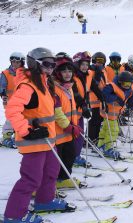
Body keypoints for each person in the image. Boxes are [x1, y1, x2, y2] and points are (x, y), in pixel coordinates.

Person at [3, 47, 75, 223]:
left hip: (48, 139)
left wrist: (35, 122)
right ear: (35, 64)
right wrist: (28, 130)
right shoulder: (28, 85)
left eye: (53, 65)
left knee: (51, 172)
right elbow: (12, 110)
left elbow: (37, 112)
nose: (51, 68)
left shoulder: (44, 83)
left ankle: (44, 201)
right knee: (31, 179)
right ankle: (14, 215)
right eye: (47, 64)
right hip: (33, 141)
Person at [53, 53, 85, 189]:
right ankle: (51, 183)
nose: (67, 74)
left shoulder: (69, 87)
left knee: (69, 155)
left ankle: (64, 178)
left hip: (69, 131)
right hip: (58, 133)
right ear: (58, 73)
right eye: (64, 71)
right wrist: (68, 126)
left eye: (69, 71)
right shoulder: (55, 88)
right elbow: (57, 112)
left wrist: (74, 125)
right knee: (56, 161)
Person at [72, 51, 105, 167]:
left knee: (79, 136)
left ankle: (75, 156)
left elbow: (95, 88)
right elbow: (75, 94)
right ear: (77, 64)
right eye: (83, 64)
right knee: (72, 137)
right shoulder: (72, 77)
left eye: (87, 64)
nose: (85, 67)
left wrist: (102, 98)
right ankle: (70, 157)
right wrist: (84, 106)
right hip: (71, 113)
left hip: (79, 112)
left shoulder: (87, 76)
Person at [98, 71, 133, 159]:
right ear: (119, 82)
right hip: (109, 112)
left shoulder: (131, 87)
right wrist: (116, 98)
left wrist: (131, 101)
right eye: (124, 84)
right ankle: (108, 148)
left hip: (116, 112)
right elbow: (104, 95)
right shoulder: (111, 86)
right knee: (114, 130)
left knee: (106, 128)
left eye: (128, 84)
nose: (127, 86)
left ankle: (101, 145)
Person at [0, 52, 25, 148]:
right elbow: (2, 86)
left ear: (22, 63)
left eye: (17, 62)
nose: (15, 64)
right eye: (13, 62)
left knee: (22, 119)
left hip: (23, 102)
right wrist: (2, 94)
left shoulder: (25, 73)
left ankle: (18, 136)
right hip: (10, 102)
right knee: (10, 119)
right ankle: (6, 137)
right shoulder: (6, 74)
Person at [88, 52, 108, 143]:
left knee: (99, 119)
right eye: (97, 61)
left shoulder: (104, 71)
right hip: (94, 100)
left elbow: (104, 83)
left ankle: (96, 137)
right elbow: (90, 86)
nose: (99, 63)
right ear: (93, 61)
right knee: (94, 120)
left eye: (101, 61)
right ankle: (91, 138)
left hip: (101, 100)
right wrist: (97, 76)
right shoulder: (91, 71)